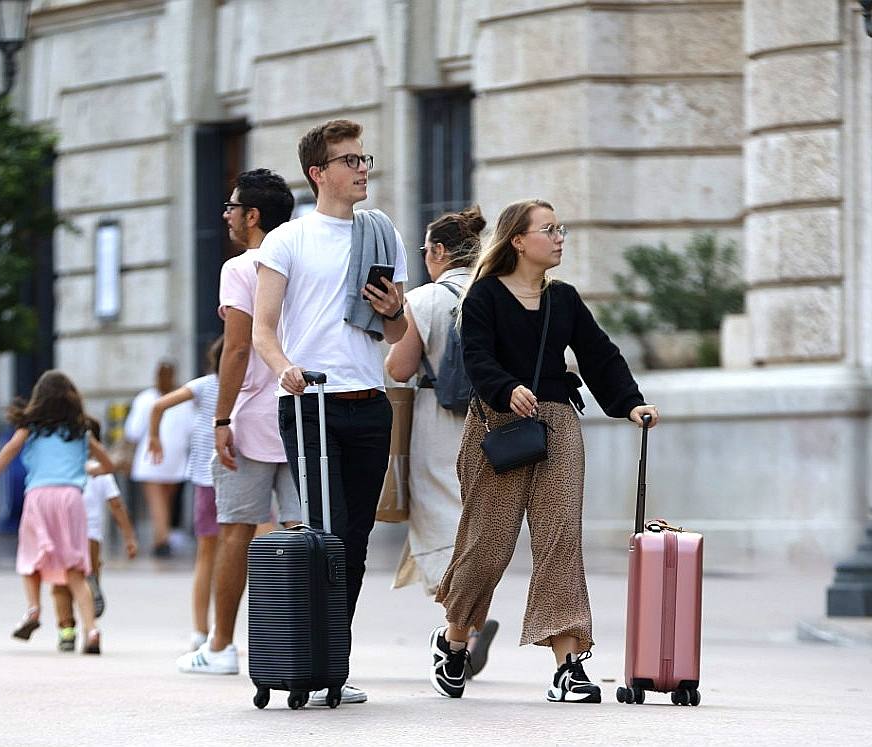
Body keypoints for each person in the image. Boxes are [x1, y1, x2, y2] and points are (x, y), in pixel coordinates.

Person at [426, 199, 660, 702]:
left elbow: (600, 356)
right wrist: (505, 388)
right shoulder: (483, 296)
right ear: (517, 241)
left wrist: (631, 403)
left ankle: (568, 665)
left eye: (561, 229)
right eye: (548, 230)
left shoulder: (564, 299)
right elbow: (477, 357)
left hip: (556, 425)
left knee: (559, 541)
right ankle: (454, 639)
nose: (559, 238)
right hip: (499, 426)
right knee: (487, 546)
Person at [253, 119, 409, 705]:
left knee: (358, 535)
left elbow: (393, 333)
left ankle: (332, 658)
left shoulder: (381, 234)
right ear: (319, 173)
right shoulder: (288, 240)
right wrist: (284, 368)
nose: (362, 168)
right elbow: (265, 329)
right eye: (349, 160)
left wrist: (395, 308)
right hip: (309, 403)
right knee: (327, 531)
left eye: (364, 158)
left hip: (369, 403)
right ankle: (311, 652)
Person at [178, 168, 303, 676]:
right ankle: (303, 642)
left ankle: (222, 646)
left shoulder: (241, 268)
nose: (226, 215)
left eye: (231, 208)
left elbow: (235, 347)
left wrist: (220, 417)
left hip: (251, 415)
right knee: (304, 533)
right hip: (301, 412)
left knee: (234, 532)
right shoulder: (302, 258)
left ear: (252, 216)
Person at [384, 205, 499, 679]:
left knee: (439, 522)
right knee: (479, 524)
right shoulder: (497, 295)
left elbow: (399, 368)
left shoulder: (426, 299)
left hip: (437, 422)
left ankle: (463, 629)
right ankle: (468, 623)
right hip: (494, 423)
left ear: (437, 252)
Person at [0, 370, 115, 655]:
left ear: (39, 399)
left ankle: (34, 609)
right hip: (71, 498)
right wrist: (90, 470)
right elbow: (108, 465)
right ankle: (92, 630)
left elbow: (9, 451)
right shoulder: (81, 431)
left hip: (39, 497)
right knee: (76, 569)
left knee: (30, 559)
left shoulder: (30, 428)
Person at [147, 336, 224, 653]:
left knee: (208, 556)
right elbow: (158, 405)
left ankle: (202, 630)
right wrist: (153, 437)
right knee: (231, 556)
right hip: (223, 478)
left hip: (207, 479)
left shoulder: (205, 385)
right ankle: (213, 629)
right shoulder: (232, 385)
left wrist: (155, 437)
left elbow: (159, 405)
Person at [52, 417, 138, 651]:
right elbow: (117, 505)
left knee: (60, 583)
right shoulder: (101, 472)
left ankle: (66, 631)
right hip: (91, 537)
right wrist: (129, 537)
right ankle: (90, 622)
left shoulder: (63, 469)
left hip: (64, 534)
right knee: (86, 581)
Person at [123, 359, 192, 557]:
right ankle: (163, 536)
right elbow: (190, 429)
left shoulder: (146, 398)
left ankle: (161, 539)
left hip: (151, 454)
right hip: (175, 457)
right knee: (167, 500)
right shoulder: (182, 398)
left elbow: (133, 430)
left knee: (157, 501)